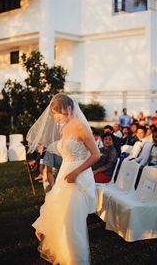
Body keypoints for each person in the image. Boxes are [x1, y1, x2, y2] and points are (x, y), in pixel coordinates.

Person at [27, 93, 100, 264]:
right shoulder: (65, 126)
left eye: (56, 113)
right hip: (64, 177)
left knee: (71, 225)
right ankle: (64, 256)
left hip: (77, 178)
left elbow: (96, 154)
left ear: (67, 109)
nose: (55, 117)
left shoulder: (81, 127)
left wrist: (75, 172)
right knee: (60, 219)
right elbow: (66, 149)